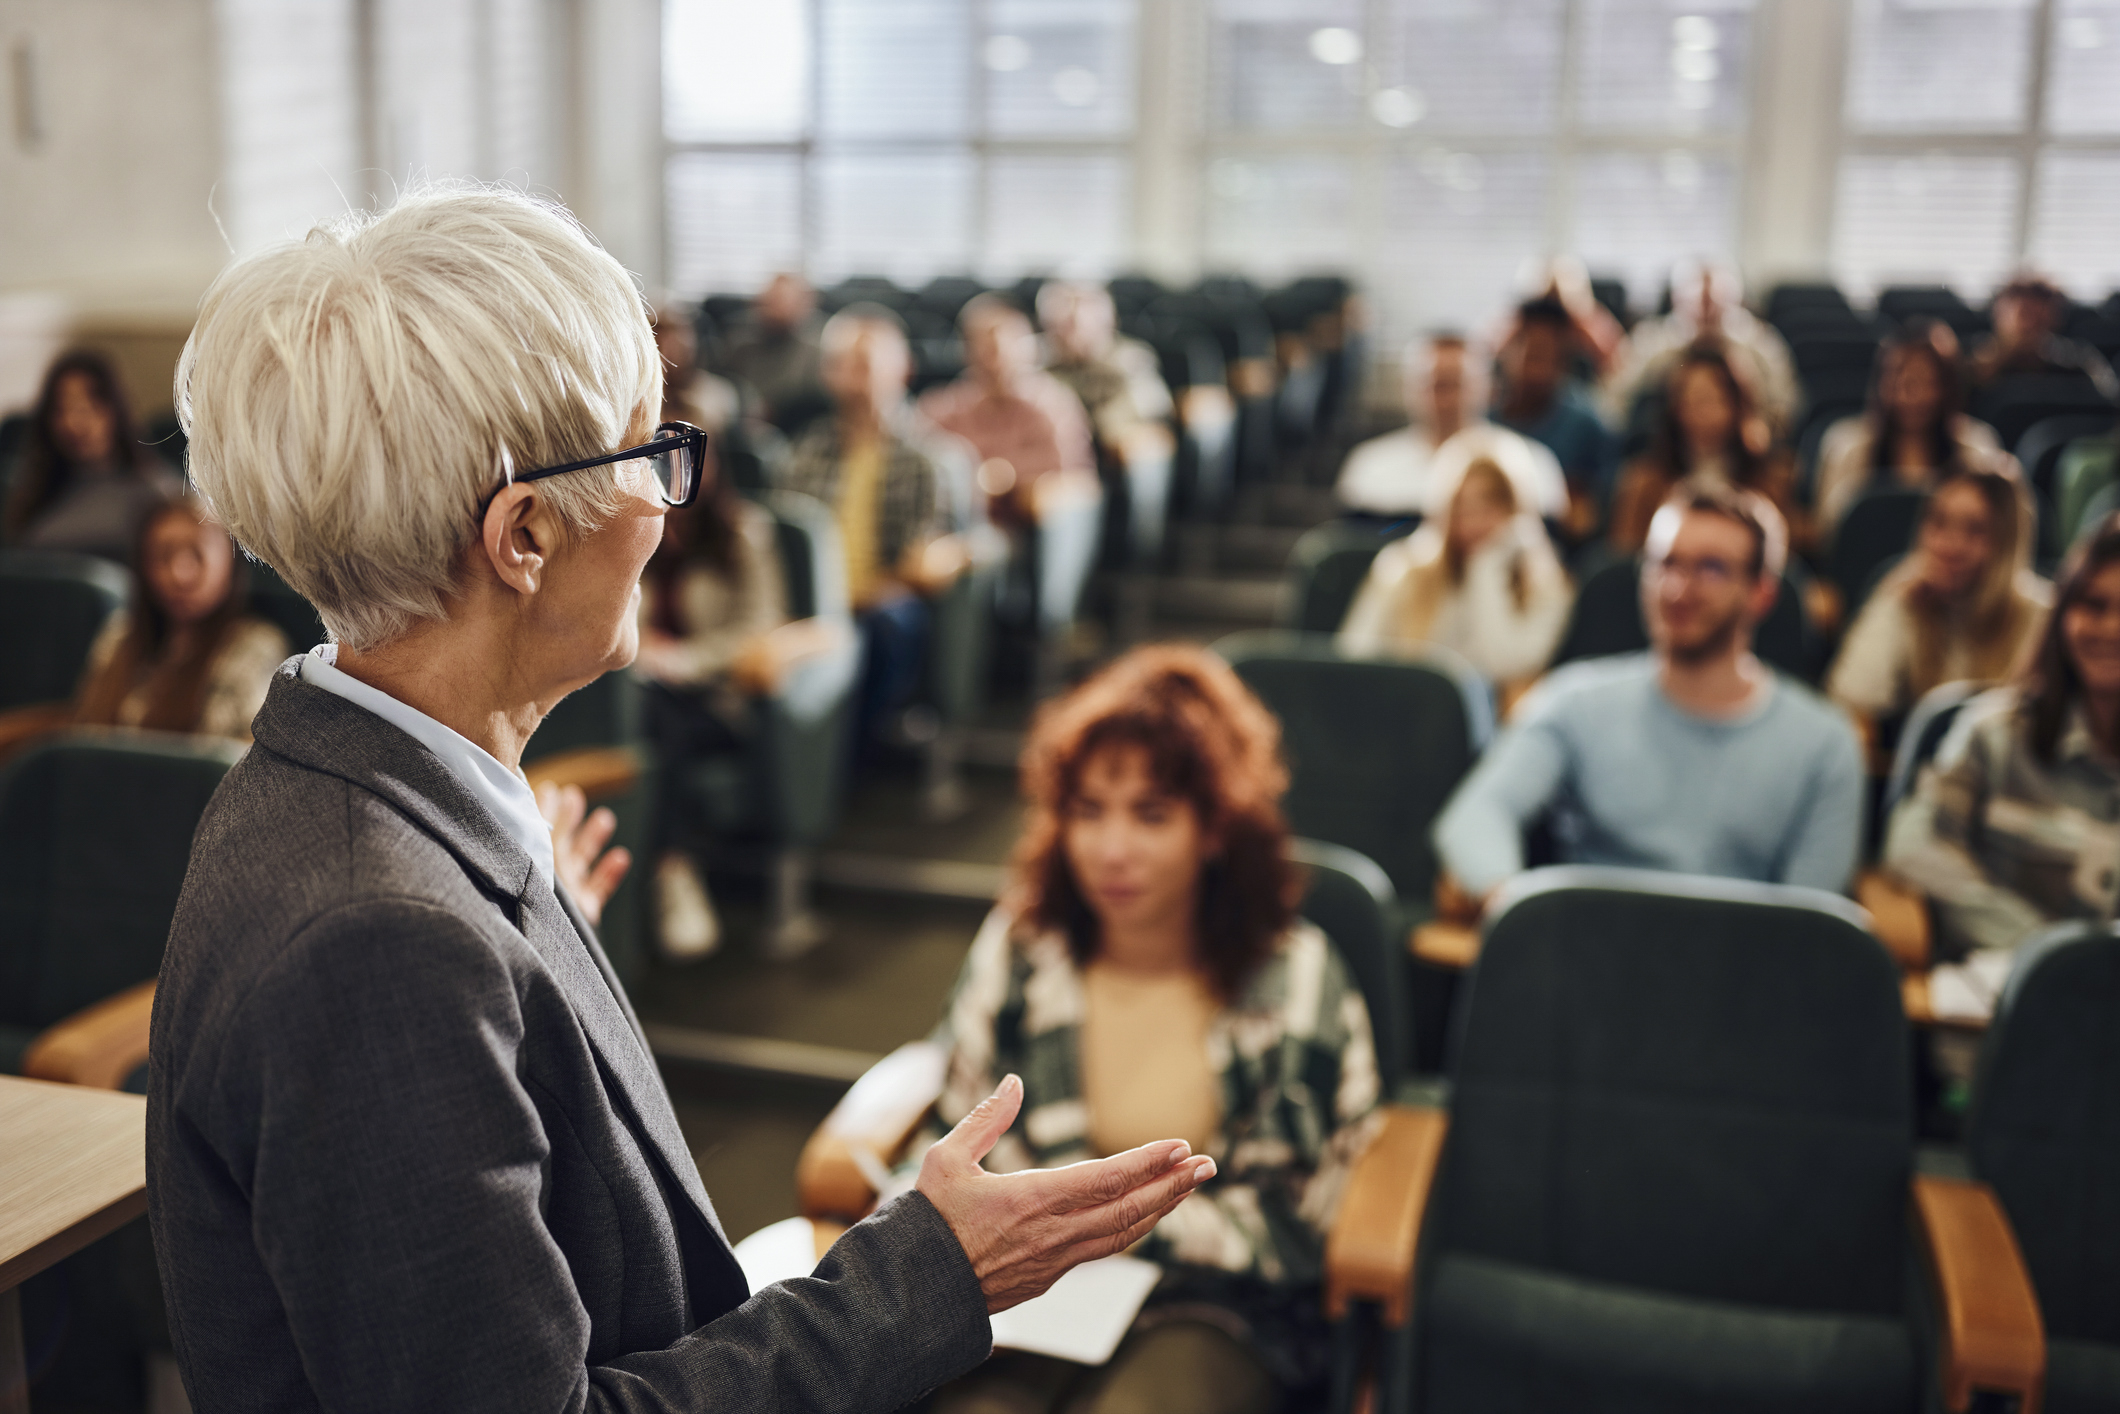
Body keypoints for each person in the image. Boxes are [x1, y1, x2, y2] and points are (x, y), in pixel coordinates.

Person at [148, 184, 1214, 1414]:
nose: (665, 505)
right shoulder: (382, 941)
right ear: (523, 535)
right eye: (648, 456)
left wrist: (522, 964)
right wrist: (930, 1273)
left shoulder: (365, 805)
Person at [920, 646, 1379, 1414]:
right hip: (1032, 1291)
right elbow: (955, 1120)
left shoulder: (1297, 975)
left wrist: (1107, 1229)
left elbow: (1304, 1208)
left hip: (1219, 1300)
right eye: (1088, 811)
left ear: (1213, 828)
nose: (1112, 850)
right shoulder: (1024, 949)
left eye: (1152, 815)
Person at [1434, 483, 1864, 901]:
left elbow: (1809, 917)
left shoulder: (1824, 745)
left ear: (1761, 593)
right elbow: (1477, 815)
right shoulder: (1575, 702)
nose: (1677, 589)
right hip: (1592, 941)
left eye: (1711, 568)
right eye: (1665, 563)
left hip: (1744, 947)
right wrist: (1514, 904)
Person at [1885, 514, 2120, 977]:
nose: (2111, 629)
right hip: (2007, 987)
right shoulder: (1993, 733)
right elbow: (1916, 847)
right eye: (2094, 605)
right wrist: (2048, 952)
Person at [635, 450, 825, 959]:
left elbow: (761, 626)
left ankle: (672, 870)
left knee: (657, 717)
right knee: (643, 711)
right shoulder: (634, 526)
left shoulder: (742, 531)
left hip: (722, 700)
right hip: (647, 687)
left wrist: (685, 660)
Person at [778, 304, 972, 756]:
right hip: (810, 598)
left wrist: (852, 599)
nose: (851, 377)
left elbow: (918, 565)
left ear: (902, 369)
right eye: (839, 364)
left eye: (863, 364)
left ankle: (852, 757)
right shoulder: (806, 451)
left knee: (889, 622)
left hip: (878, 603)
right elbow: (783, 538)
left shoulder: (930, 458)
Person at [1827, 466, 2049, 732]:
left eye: (1975, 530)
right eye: (1939, 523)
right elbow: (1849, 705)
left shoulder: (2042, 617)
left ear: (2007, 542)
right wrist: (1893, 601)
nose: (1949, 545)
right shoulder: (1907, 598)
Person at [1337, 456, 1574, 696]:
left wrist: (1486, 570)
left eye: (1489, 507)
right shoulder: (1402, 569)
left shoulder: (1546, 586)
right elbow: (1356, 654)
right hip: (1405, 702)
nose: (1474, 521)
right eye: (1462, 508)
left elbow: (1506, 667)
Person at [73, 495, 288, 741]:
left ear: (231, 561)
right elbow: (84, 728)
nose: (179, 574)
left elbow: (246, 750)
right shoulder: (119, 636)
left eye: (197, 554)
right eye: (164, 555)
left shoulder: (254, 648)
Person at [1334, 333, 1566, 521]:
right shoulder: (1369, 468)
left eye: (1456, 384)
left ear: (1489, 389)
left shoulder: (1530, 465)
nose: (1445, 400)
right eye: (1435, 384)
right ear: (1408, 390)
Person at [919, 294, 1097, 532]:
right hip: (956, 524)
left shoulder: (1054, 406)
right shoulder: (941, 410)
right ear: (966, 349)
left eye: (1009, 339)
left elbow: (1075, 480)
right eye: (984, 341)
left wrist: (1011, 481)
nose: (997, 351)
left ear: (1031, 346)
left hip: (1027, 525)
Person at [1814, 321, 2009, 532]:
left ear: (1947, 386)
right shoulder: (1848, 449)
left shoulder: (1977, 449)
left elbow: (1999, 527)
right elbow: (1830, 531)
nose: (1909, 395)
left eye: (1924, 380)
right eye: (1898, 378)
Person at [1606, 341, 1790, 556]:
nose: (1702, 412)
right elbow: (1624, 559)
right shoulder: (1644, 483)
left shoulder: (1769, 480)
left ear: (1737, 406)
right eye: (1693, 400)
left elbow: (1781, 556)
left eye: (1713, 400)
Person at [3, 349, 179, 562]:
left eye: (91, 406)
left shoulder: (156, 492)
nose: (74, 423)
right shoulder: (34, 492)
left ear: (116, 411)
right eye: (62, 409)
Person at [1605, 258, 1800, 434]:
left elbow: (1786, 403)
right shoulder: (1651, 342)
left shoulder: (1760, 344)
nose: (1706, 314)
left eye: (1715, 305)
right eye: (1697, 305)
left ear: (1736, 303)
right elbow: (1615, 400)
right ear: (1677, 303)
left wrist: (1763, 430)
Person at [1492, 297, 1618, 536]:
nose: (1529, 365)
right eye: (1524, 349)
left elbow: (1588, 518)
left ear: (1562, 361)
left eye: (1541, 354)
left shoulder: (1587, 426)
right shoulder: (1484, 417)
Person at [1036, 280, 1174, 453]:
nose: (1075, 315)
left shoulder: (1130, 359)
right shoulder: (1033, 360)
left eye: (1085, 305)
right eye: (1063, 305)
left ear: (1109, 319)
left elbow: (1153, 414)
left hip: (1112, 447)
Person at [1967, 273, 2118, 400]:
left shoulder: (2077, 361)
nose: (2030, 325)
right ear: (1998, 314)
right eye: (2024, 315)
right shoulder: (1975, 358)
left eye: (2039, 321)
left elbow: (2108, 400)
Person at [709, 271, 830, 430]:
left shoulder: (816, 352)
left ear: (804, 305)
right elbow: (723, 384)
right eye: (770, 301)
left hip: (794, 427)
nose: (775, 309)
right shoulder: (739, 344)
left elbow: (813, 403)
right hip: (741, 423)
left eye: (783, 301)